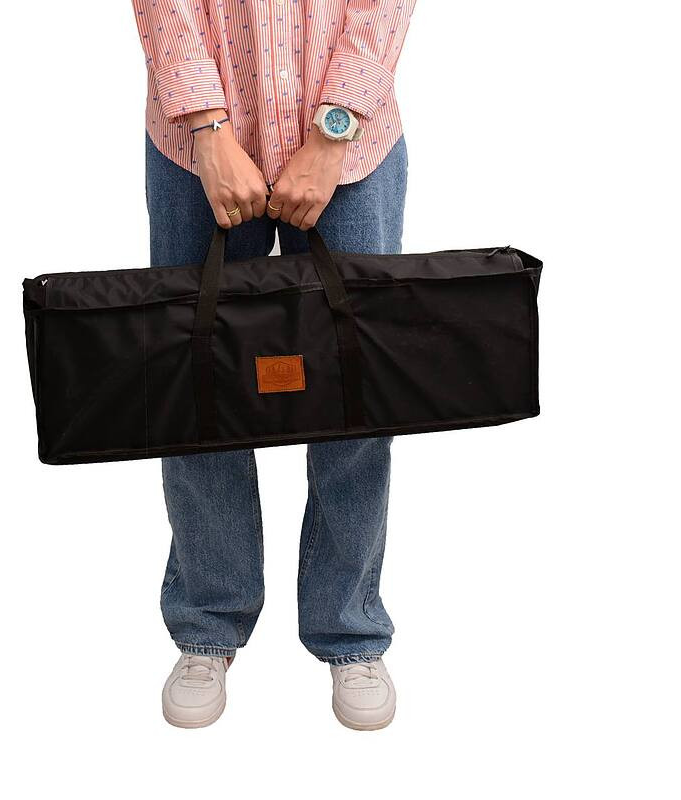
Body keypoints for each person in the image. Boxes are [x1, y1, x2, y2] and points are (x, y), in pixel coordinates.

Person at [131, 0, 417, 730]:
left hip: (353, 144)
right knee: (198, 383)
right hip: (196, 143)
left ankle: (350, 628)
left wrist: (332, 134)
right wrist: (207, 129)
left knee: (358, 391)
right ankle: (208, 624)